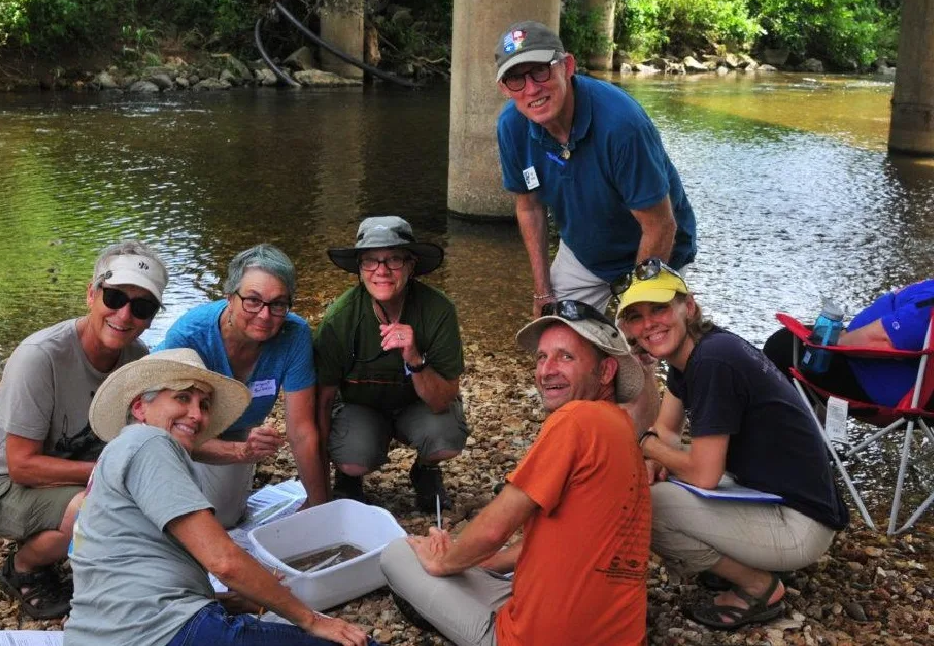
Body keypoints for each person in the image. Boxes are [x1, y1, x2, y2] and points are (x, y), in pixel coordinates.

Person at [65, 348, 378, 646]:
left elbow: (128, 578)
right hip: (158, 632)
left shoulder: (118, 453)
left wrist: (230, 601)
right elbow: (223, 561)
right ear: (139, 407)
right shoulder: (150, 443)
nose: (197, 415)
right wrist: (312, 620)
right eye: (182, 398)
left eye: (203, 405)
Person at [380, 303, 650, 646]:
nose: (546, 370)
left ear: (607, 371)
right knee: (474, 563)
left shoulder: (575, 419)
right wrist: (477, 561)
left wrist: (443, 562)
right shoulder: (622, 428)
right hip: (623, 637)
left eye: (565, 357)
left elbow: (494, 529)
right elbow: (557, 543)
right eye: (541, 357)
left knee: (398, 554)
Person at [616, 266, 848, 630]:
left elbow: (703, 474)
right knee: (658, 480)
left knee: (647, 507)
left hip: (802, 525)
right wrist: (653, 458)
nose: (648, 324)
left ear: (688, 307)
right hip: (786, 498)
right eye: (635, 316)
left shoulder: (712, 362)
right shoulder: (696, 352)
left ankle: (760, 586)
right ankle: (739, 559)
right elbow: (667, 432)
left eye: (659, 309)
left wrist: (644, 444)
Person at [0, 240, 168, 619]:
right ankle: (24, 567)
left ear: (151, 316)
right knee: (97, 509)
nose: (125, 314)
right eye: (115, 296)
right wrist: (114, 472)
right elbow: (22, 466)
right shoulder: (40, 356)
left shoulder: (138, 361)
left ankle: (75, 544)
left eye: (142, 306)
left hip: (61, 476)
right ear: (91, 294)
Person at [495, 19, 696, 316]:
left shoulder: (621, 126)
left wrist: (636, 306)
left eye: (540, 70)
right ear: (504, 89)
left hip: (658, 248)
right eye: (516, 79)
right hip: (586, 254)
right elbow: (530, 208)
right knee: (559, 341)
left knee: (648, 343)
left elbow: (660, 225)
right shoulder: (511, 126)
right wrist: (543, 290)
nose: (532, 88)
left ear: (567, 66)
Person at [157, 245, 328, 527]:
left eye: (278, 304)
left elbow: (302, 431)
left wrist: (320, 506)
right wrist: (239, 453)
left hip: (234, 429)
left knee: (224, 518)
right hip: (175, 426)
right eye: (252, 300)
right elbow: (166, 430)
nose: (264, 315)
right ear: (229, 298)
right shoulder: (189, 335)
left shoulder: (294, 335)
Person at [314, 216, 467, 512]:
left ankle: (426, 470)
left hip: (418, 406)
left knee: (446, 437)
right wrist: (319, 483)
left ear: (411, 267)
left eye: (394, 260)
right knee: (352, 456)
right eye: (370, 261)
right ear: (359, 270)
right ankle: (347, 477)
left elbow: (443, 399)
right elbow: (322, 401)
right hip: (361, 409)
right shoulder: (340, 319)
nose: (381, 271)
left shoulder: (439, 310)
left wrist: (415, 358)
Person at [764, 279, 934, 408]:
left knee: (784, 345)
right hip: (902, 379)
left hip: (880, 384)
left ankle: (796, 440)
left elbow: (884, 340)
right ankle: (814, 436)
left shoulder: (929, 305)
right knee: (807, 337)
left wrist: (837, 341)